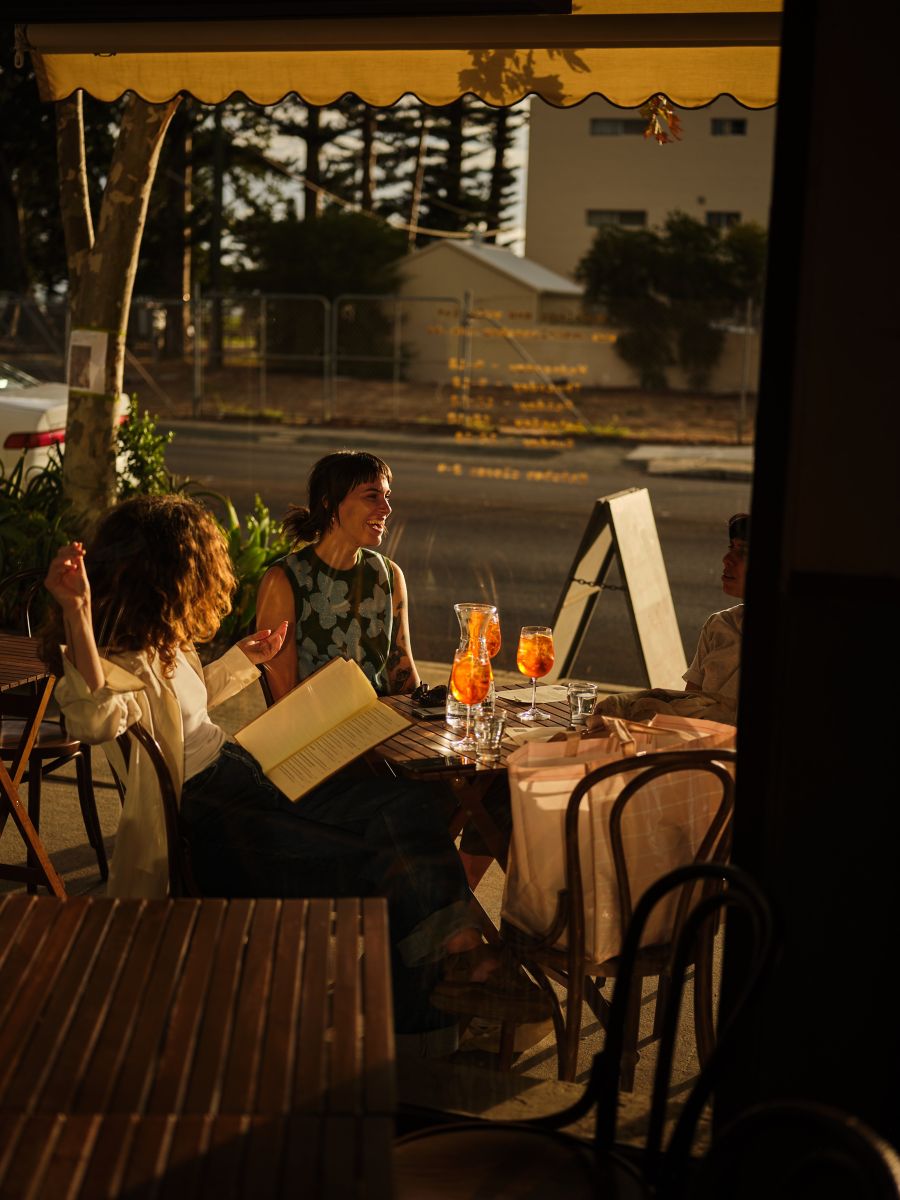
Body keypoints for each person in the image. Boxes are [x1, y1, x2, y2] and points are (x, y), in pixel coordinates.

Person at [41, 495, 538, 1050]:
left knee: (407, 804)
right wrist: (77, 613)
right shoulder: (117, 660)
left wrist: (243, 658)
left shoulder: (160, 638)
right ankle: (448, 986)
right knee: (398, 840)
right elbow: (94, 717)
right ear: (170, 573)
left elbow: (185, 707)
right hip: (218, 828)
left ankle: (449, 973)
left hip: (244, 784)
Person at [257, 451, 419, 701]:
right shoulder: (284, 580)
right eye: (372, 496)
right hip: (315, 730)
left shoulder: (389, 575)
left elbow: (404, 675)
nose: (386, 508)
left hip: (382, 722)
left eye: (386, 496)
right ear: (329, 502)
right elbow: (284, 699)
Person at [593, 512, 749, 726]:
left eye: (743, 552)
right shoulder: (719, 625)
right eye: (731, 547)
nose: (727, 559)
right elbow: (686, 706)